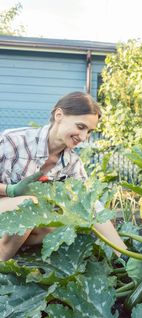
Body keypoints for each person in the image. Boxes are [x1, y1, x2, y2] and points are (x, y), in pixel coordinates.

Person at [0, 91, 127, 261]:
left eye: (89, 131)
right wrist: (10, 190)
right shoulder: (12, 141)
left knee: (59, 226)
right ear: (59, 115)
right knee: (29, 204)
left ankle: (21, 261)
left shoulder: (72, 163)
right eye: (80, 127)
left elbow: (90, 206)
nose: (83, 137)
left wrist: (125, 255)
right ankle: (3, 261)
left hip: (20, 229)